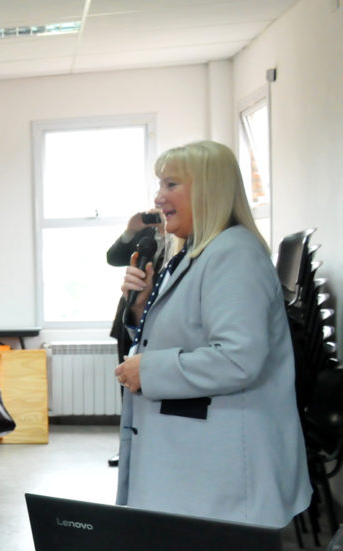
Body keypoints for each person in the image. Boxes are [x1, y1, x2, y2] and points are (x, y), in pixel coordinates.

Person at [113, 140, 311, 527]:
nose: (158, 197)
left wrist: (148, 371)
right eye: (159, 185)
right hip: (195, 464)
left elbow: (238, 358)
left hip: (223, 475)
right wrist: (138, 310)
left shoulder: (234, 254)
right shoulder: (195, 253)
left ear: (208, 189)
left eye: (171, 185)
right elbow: (183, 334)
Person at [107, 211, 172, 361]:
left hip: (158, 321)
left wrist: (167, 230)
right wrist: (131, 230)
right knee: (126, 371)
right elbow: (113, 258)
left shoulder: (179, 237)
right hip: (129, 315)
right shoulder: (145, 233)